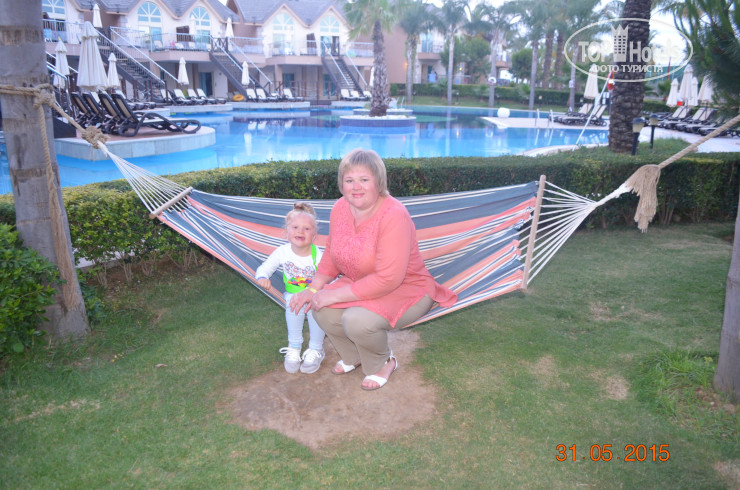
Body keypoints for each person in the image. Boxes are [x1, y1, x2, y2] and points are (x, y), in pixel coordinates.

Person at [290, 148, 457, 390]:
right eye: (349, 180)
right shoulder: (340, 208)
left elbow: (389, 279)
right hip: (360, 281)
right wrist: (314, 289)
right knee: (321, 308)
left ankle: (383, 362)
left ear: (379, 182)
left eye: (364, 179)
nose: (356, 187)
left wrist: (334, 294)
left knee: (357, 321)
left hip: (407, 287)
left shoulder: (394, 215)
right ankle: (355, 356)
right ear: (341, 184)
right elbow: (332, 255)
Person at [255, 202, 326, 374]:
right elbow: (264, 269)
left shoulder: (318, 254)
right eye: (295, 227)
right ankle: (294, 346)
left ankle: (316, 349)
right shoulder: (282, 252)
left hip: (314, 293)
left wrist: (318, 295)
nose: (300, 232)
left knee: (316, 308)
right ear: (287, 232)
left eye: (307, 229)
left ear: (314, 235)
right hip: (292, 294)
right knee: (294, 304)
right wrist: (262, 277)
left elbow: (326, 276)